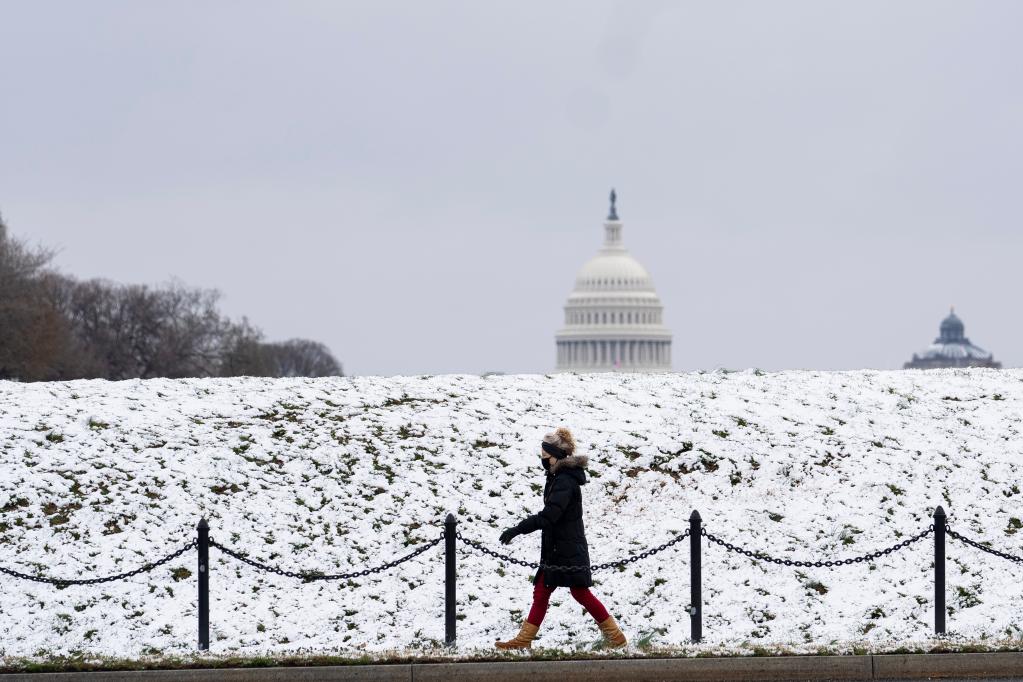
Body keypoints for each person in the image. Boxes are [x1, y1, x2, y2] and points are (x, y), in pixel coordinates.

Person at [494, 427, 627, 650]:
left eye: (545, 457)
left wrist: (518, 529)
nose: (543, 461)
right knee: (543, 591)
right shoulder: (558, 478)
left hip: (566, 549)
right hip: (558, 547)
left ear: (556, 456)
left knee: (579, 592)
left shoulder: (564, 481)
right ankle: (524, 641)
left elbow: (549, 516)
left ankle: (616, 637)